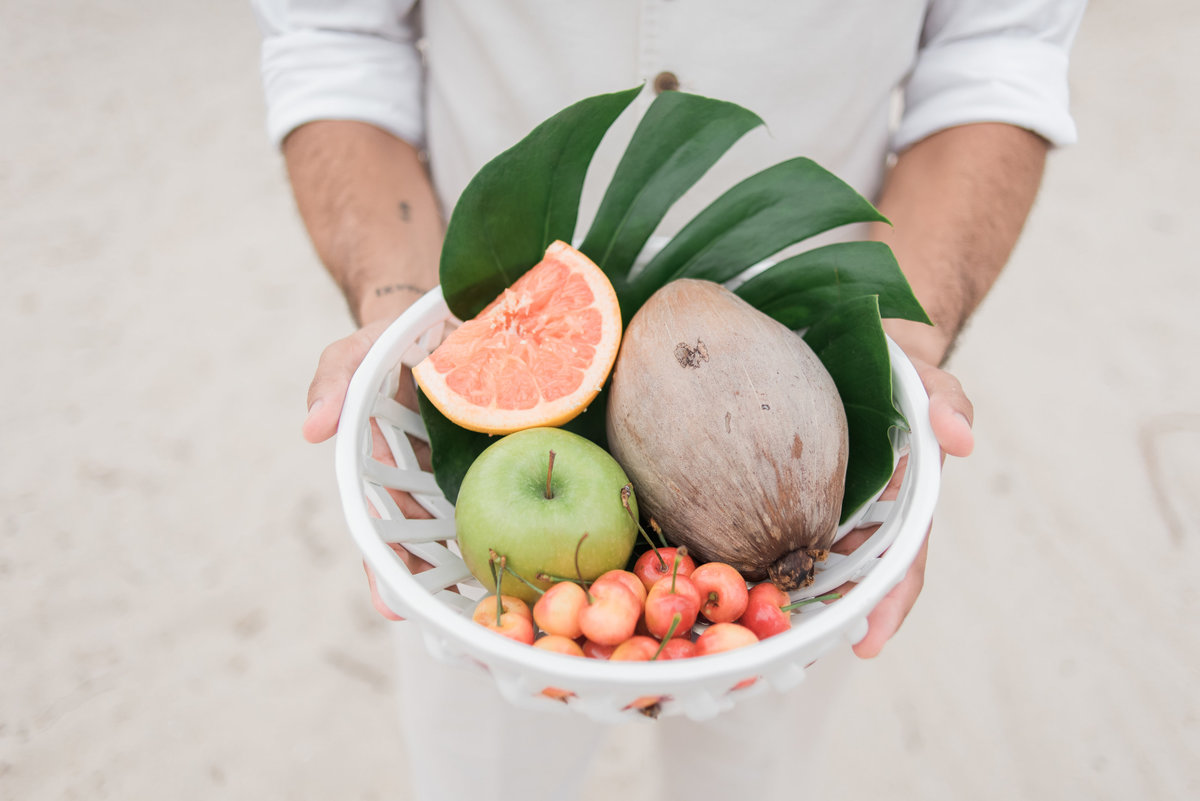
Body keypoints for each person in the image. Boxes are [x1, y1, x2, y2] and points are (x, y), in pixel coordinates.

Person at [251, 2, 1086, 798]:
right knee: (480, 770)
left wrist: (902, 341)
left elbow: (997, 52)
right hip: (478, 381)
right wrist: (400, 306)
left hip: (800, 392)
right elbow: (334, 36)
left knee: (759, 774)